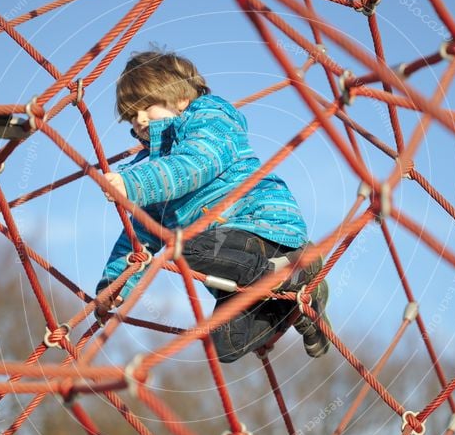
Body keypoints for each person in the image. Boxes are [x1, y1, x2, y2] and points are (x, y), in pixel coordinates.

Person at [95, 48, 330, 362]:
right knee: (225, 346)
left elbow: (196, 164)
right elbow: (140, 234)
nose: (138, 120)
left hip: (262, 228)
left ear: (180, 97)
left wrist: (133, 184)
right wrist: (115, 282)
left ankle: (298, 268)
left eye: (146, 107)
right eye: (130, 116)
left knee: (188, 251)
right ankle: (301, 305)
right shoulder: (149, 162)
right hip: (232, 268)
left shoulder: (209, 117)